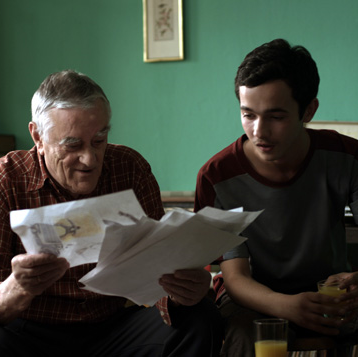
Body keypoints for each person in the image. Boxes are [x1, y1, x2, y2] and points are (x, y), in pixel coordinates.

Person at [0, 70, 224, 356]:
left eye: (99, 140)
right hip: (28, 332)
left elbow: (160, 276)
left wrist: (183, 293)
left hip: (111, 329)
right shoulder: (6, 181)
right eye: (73, 145)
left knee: (200, 318)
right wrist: (16, 287)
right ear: (38, 138)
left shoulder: (129, 169)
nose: (90, 159)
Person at [194, 39, 358, 356]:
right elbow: (236, 278)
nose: (259, 132)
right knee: (244, 335)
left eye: (276, 117)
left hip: (329, 294)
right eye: (248, 114)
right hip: (251, 299)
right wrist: (288, 306)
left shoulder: (345, 157)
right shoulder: (217, 177)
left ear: (309, 110)